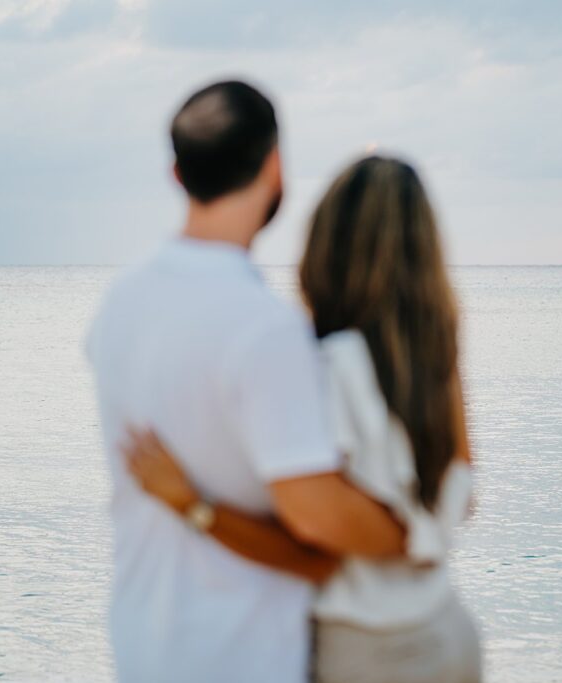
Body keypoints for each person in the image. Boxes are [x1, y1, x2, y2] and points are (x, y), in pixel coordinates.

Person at [85, 80, 406, 683]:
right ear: (274, 166)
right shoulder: (265, 330)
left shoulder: (119, 304)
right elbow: (317, 537)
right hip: (239, 655)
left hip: (142, 642)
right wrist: (414, 534)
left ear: (177, 174)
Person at [122, 155, 482, 683]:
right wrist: (415, 527)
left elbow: (314, 533)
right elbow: (461, 493)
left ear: (326, 246)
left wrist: (194, 504)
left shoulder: (323, 366)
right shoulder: (437, 363)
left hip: (364, 650)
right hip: (448, 633)